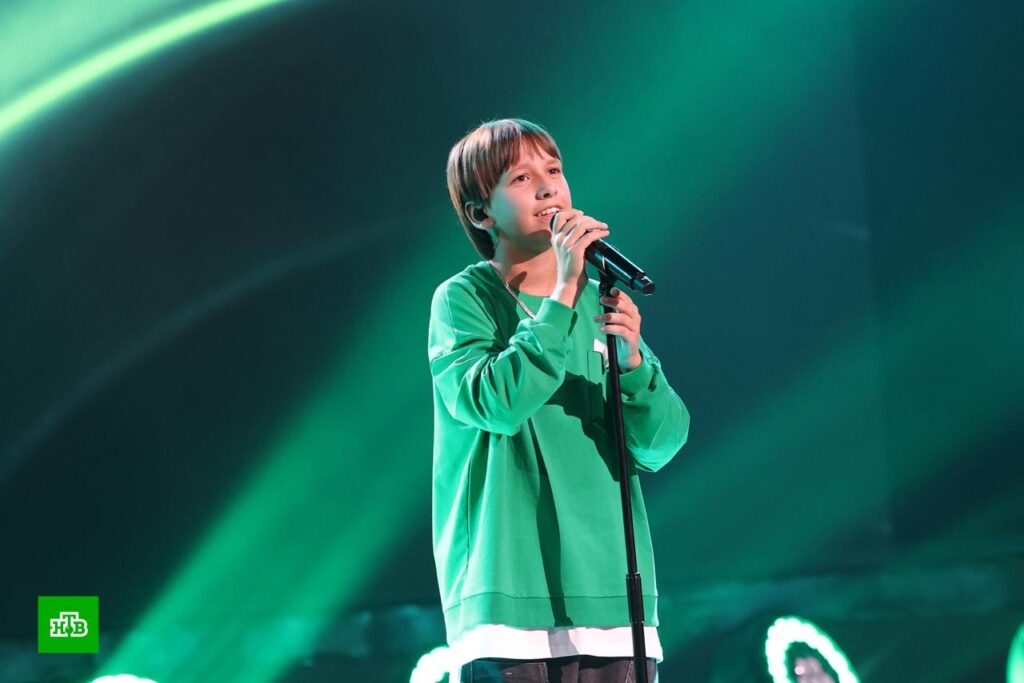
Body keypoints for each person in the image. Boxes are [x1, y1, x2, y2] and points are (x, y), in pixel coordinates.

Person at [428, 118, 690, 682]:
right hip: (509, 603)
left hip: (615, 605)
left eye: (554, 170)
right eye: (522, 178)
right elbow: (497, 402)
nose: (548, 187)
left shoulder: (602, 303)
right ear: (481, 214)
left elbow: (661, 443)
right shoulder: (463, 301)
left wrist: (634, 364)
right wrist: (564, 290)